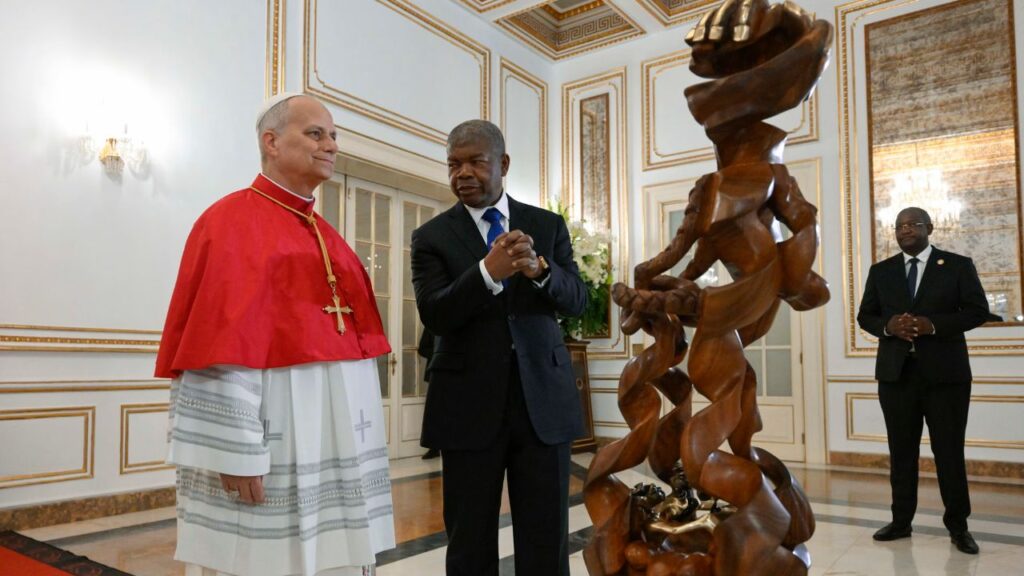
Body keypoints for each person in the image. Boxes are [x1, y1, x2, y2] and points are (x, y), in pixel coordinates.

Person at [155, 93, 395, 576]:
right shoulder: (229, 223)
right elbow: (218, 344)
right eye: (315, 134)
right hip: (275, 437)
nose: (331, 145)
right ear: (271, 142)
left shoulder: (326, 234)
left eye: (333, 136)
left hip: (334, 437)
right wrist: (234, 449)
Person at [410, 119, 587, 575]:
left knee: (546, 541)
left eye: (475, 162)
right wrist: (487, 272)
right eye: (454, 164)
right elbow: (435, 314)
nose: (462, 174)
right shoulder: (430, 237)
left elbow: (578, 300)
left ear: (503, 164)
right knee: (469, 544)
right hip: (466, 407)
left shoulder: (546, 225)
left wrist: (541, 272)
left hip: (542, 404)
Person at [857, 206, 990, 555]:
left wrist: (933, 325)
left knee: (949, 452)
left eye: (913, 224)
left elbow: (978, 310)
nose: (905, 230)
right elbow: (865, 315)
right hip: (896, 376)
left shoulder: (957, 265)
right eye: (899, 226)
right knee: (902, 452)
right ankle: (901, 521)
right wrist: (888, 327)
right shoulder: (881, 271)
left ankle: (959, 527)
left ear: (929, 227)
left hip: (946, 377)